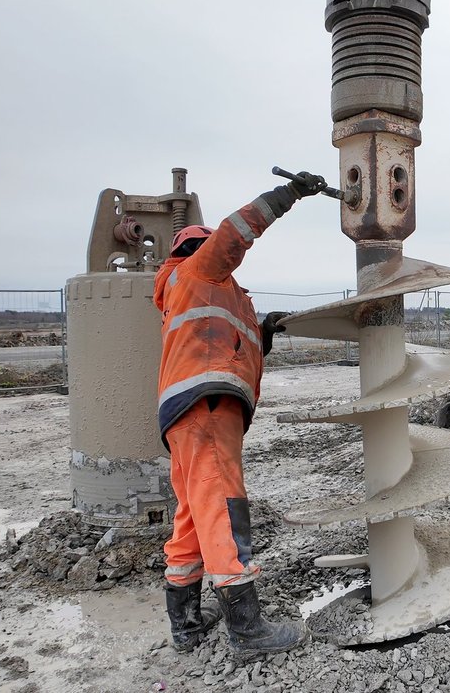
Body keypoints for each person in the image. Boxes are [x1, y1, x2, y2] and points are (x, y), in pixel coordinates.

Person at [153, 170, 326, 657]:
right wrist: (288, 194)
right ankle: (248, 632)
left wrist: (264, 331)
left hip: (187, 412)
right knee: (225, 510)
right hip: (207, 407)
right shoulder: (201, 270)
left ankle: (185, 624)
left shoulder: (198, 295)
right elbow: (236, 232)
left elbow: (227, 344)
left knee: (192, 516)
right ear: (197, 248)